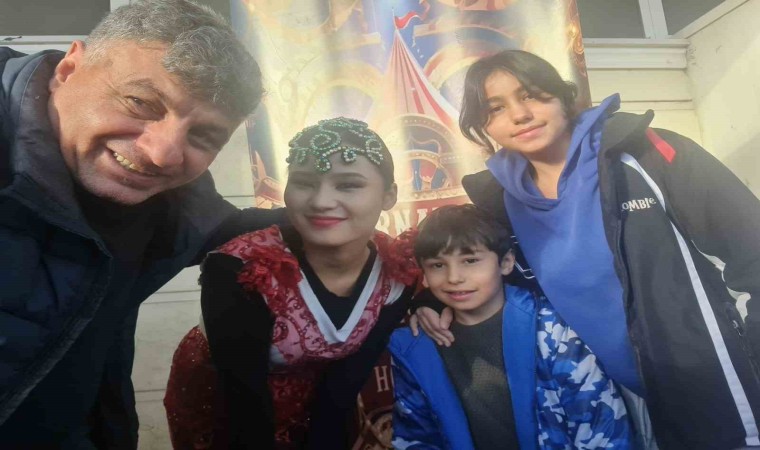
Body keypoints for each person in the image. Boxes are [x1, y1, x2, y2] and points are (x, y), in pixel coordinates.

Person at [413, 49, 760, 449]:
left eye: (531, 94)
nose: (520, 114)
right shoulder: (501, 202)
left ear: (563, 96)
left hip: (714, 387)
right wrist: (429, 302)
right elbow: (482, 268)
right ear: (483, 126)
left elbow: (751, 246)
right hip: (607, 404)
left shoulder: (644, 154)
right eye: (495, 108)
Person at [0, 1, 284, 448]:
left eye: (203, 136)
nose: (163, 154)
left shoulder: (174, 206)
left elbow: (234, 228)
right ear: (70, 69)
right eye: (141, 103)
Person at [163, 117, 420, 449]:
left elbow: (347, 380)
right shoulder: (241, 269)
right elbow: (244, 403)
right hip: (224, 409)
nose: (320, 201)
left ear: (389, 195)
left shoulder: (396, 270)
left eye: (348, 185)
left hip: (319, 400)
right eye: (303, 182)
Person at [390, 204, 632, 450]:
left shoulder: (551, 329)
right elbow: (415, 437)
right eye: (438, 265)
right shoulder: (413, 347)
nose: (454, 277)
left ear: (506, 262)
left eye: (470, 260)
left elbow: (599, 424)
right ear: (423, 272)